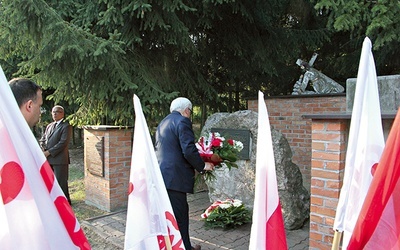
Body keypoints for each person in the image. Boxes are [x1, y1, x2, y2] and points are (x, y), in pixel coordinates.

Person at [155, 97, 214, 250]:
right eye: (190, 110)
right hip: (175, 177)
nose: (189, 114)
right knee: (180, 216)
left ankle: (176, 246)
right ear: (186, 110)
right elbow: (188, 150)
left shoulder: (163, 122)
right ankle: (185, 248)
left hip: (162, 174)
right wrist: (203, 166)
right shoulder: (182, 121)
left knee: (170, 214)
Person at [39, 105, 72, 205]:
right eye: (53, 112)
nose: (54, 114)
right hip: (48, 159)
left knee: (61, 182)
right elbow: (43, 138)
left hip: (60, 160)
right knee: (50, 181)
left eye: (57, 112)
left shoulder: (66, 126)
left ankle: (65, 202)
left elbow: (63, 143)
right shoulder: (49, 126)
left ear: (62, 113)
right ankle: (54, 201)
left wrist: (48, 152)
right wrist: (42, 147)